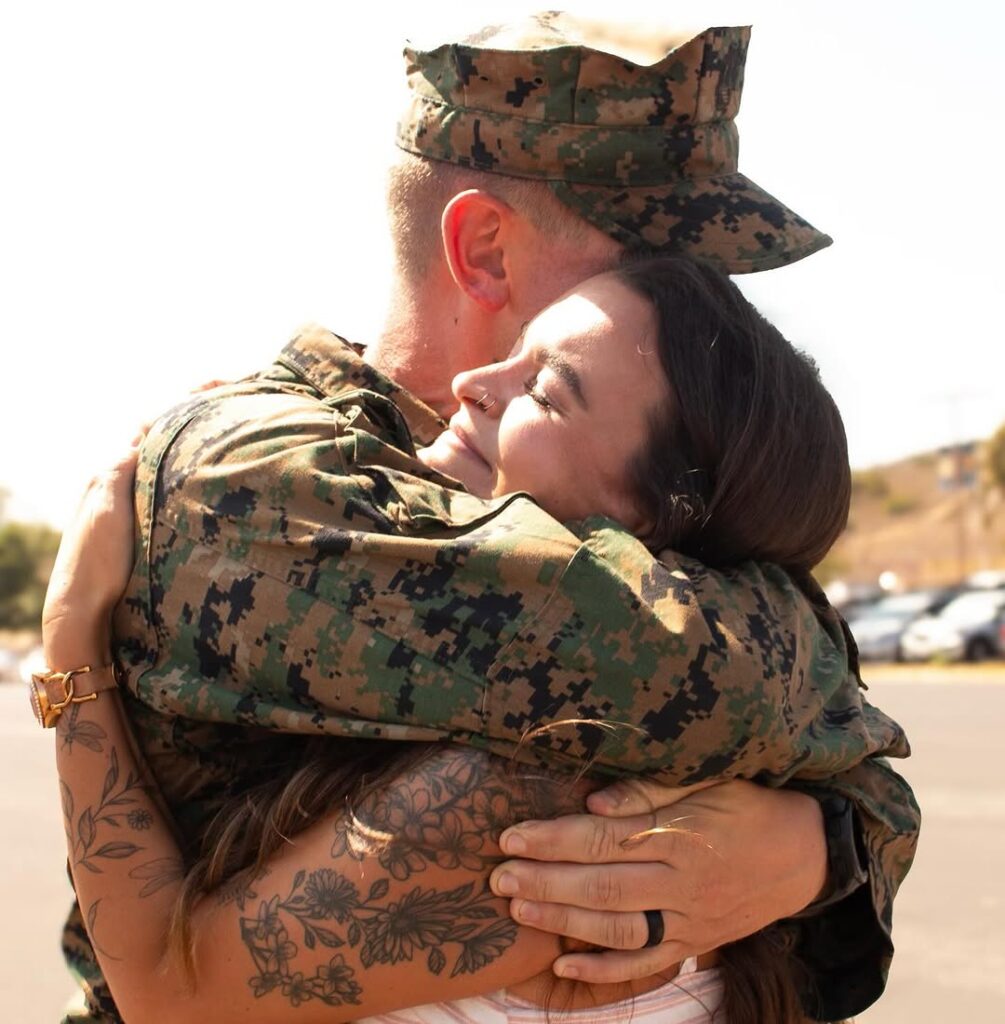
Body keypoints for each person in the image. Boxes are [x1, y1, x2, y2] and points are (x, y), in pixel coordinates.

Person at [37, 15, 918, 1023]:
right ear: (485, 249)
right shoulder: (254, 475)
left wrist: (822, 843)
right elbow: (688, 662)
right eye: (662, 248)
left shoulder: (578, 519)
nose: (697, 297)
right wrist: (823, 829)